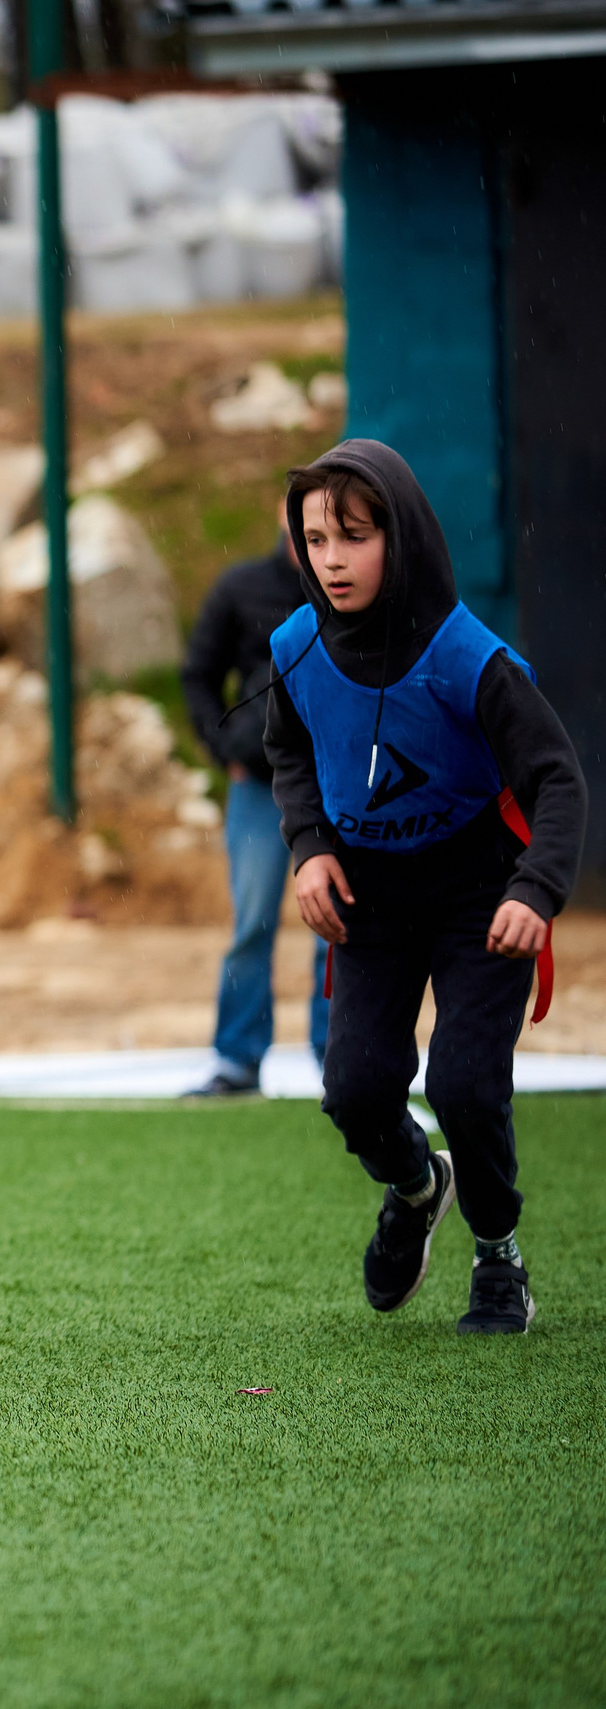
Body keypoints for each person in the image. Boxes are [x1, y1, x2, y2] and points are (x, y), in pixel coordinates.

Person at [266, 440, 585, 1336]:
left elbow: (557, 777)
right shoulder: (294, 646)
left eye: (355, 537)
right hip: (369, 899)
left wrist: (536, 888)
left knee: (466, 1085)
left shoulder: (466, 657)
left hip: (482, 894)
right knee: (357, 1091)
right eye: (316, 537)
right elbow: (287, 748)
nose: (331, 559)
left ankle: (499, 1254)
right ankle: (416, 1184)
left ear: (399, 539)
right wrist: (308, 847)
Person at [180, 502, 330, 1097]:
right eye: (309, 524)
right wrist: (229, 749)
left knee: (339, 928)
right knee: (253, 922)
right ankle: (238, 1058)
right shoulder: (241, 587)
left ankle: (343, 1060)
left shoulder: (357, 590)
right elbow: (197, 674)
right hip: (261, 787)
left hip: (337, 788)